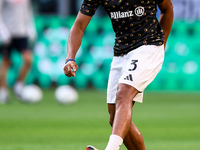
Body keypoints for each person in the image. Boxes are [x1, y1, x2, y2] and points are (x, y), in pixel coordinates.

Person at [63, 0, 174, 150]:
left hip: (148, 46)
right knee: (115, 116)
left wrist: (161, 44)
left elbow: (167, 9)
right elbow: (79, 26)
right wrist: (70, 58)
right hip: (121, 51)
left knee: (124, 92)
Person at [0, 0, 37, 104]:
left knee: (28, 59)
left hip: (21, 33)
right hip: (8, 33)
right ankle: (2, 91)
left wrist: (31, 28)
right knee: (5, 62)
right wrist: (2, 30)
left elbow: (28, 13)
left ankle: (19, 85)